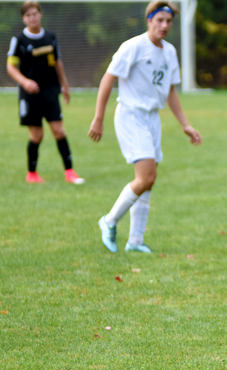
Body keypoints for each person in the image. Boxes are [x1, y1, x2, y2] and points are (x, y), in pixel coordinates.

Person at [88, 1, 201, 253]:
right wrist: (98, 117)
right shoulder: (133, 46)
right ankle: (108, 221)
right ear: (148, 20)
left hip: (152, 118)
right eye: (159, 20)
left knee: (149, 180)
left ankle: (135, 241)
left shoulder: (169, 51)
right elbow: (108, 79)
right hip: (131, 114)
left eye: (168, 21)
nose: (164, 25)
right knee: (146, 177)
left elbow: (170, 90)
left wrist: (185, 124)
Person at [6, 1, 84, 184]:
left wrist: (65, 85)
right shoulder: (19, 40)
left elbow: (57, 62)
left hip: (50, 91)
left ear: (40, 14)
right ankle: (31, 174)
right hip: (30, 95)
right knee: (37, 135)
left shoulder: (51, 37)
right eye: (28, 15)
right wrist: (24, 81)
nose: (32, 18)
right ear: (23, 18)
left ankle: (70, 171)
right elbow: (11, 67)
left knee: (59, 130)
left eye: (35, 14)